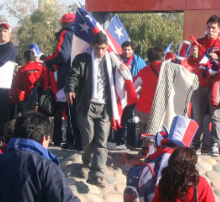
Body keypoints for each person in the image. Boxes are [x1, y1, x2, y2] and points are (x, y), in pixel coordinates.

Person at [66, 32, 132, 185]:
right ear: (92, 46)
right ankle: (87, 163)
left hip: (105, 106)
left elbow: (126, 78)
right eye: (97, 48)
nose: (100, 52)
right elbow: (73, 76)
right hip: (87, 105)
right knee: (89, 138)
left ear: (107, 47)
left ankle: (97, 172)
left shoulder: (113, 61)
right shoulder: (82, 59)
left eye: (103, 48)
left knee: (102, 140)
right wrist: (70, 89)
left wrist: (123, 70)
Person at [187, 15, 220, 156]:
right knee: (197, 116)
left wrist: (219, 57)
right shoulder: (198, 42)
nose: (210, 30)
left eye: (214, 28)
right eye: (208, 27)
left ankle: (215, 145)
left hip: (217, 85)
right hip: (199, 84)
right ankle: (195, 144)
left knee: (215, 117)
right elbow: (191, 63)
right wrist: (192, 55)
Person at [47, 13, 76, 150]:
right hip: (81, 77)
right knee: (76, 111)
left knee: (67, 111)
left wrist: (48, 60)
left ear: (63, 24)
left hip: (67, 77)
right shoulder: (83, 33)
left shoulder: (66, 33)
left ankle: (69, 140)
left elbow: (62, 55)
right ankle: (76, 140)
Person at [133, 47, 164, 149]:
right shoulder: (167, 70)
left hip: (145, 108)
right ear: (162, 57)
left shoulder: (144, 70)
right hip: (161, 109)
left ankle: (145, 146)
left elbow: (133, 88)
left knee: (145, 124)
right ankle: (158, 148)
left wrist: (141, 90)